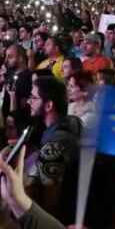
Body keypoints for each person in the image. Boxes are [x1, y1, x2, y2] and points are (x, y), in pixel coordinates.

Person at [26, 76, 79, 218]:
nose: (29, 101)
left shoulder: (57, 141)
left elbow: (50, 199)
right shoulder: (59, 129)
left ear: (49, 105)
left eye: (34, 98)